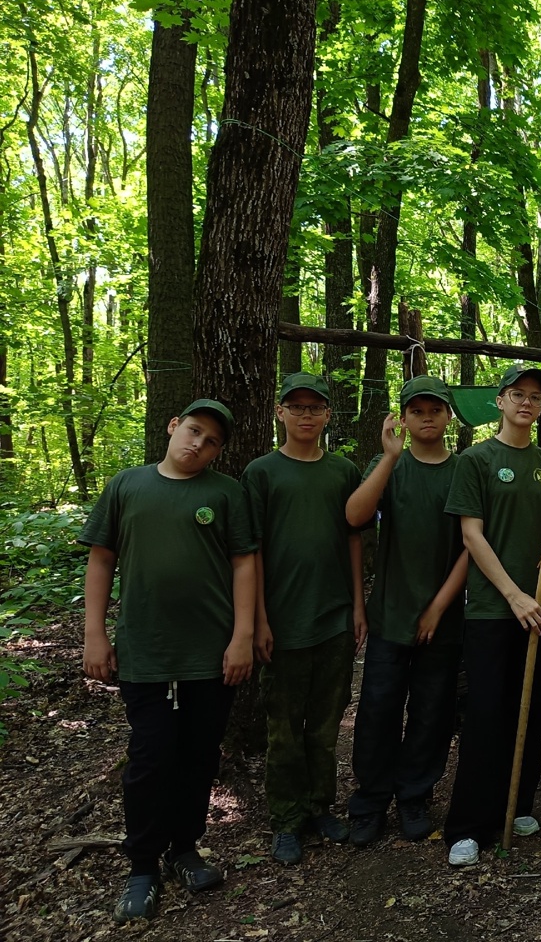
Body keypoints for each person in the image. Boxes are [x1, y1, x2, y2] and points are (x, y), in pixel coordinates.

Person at [79, 399, 256, 924]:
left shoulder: (226, 493)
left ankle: (185, 847)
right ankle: (142, 865)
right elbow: (102, 558)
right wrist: (94, 634)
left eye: (212, 441)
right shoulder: (127, 485)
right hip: (146, 653)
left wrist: (242, 635)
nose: (198, 445)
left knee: (200, 755)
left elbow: (244, 562)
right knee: (151, 758)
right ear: (173, 425)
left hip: (211, 655)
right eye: (193, 431)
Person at [443, 365, 541, 867]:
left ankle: (515, 802)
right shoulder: (475, 460)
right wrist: (515, 595)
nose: (526, 402)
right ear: (499, 401)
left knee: (533, 708)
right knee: (486, 714)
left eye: (535, 397)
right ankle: (468, 825)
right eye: (517, 394)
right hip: (496, 611)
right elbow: (472, 536)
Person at [241, 372, 365, 866]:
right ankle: (286, 818)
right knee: (284, 728)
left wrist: (358, 605)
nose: (307, 415)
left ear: (328, 415)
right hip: (283, 622)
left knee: (325, 723)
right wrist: (259, 620)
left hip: (334, 617)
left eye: (316, 407)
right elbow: (250, 551)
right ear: (280, 413)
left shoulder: (342, 471)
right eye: (297, 407)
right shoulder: (262, 473)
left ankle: (319, 807)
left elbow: (355, 539)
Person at [345, 376, 468, 847]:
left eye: (435, 409)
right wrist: (391, 457)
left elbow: (471, 546)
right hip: (390, 615)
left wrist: (439, 607)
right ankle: (370, 801)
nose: (427, 418)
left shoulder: (463, 469)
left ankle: (414, 795)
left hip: (444, 616)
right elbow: (355, 516)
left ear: (448, 415)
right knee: (378, 708)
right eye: (417, 411)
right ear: (404, 418)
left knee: (432, 710)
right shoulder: (388, 464)